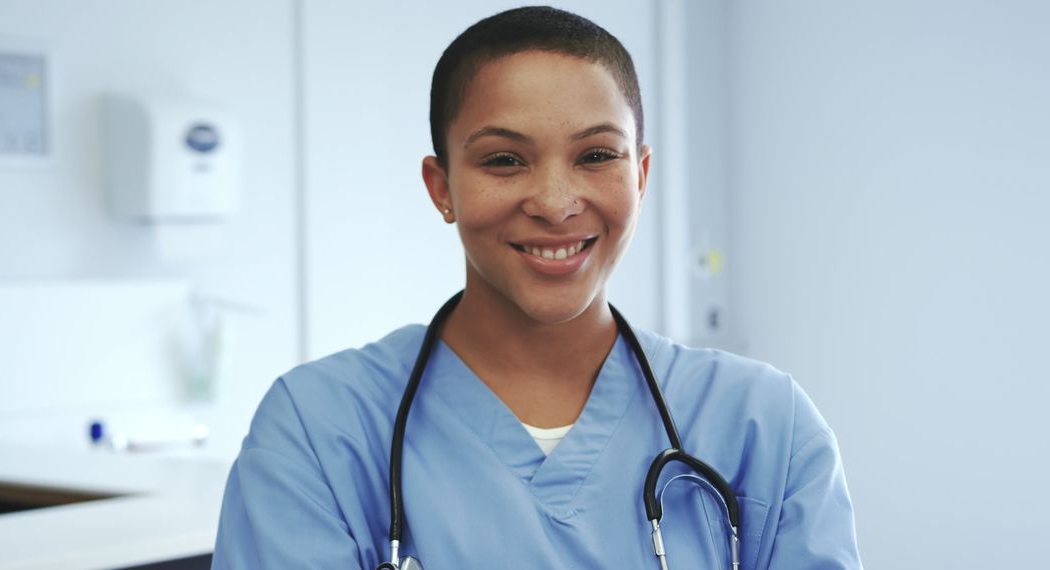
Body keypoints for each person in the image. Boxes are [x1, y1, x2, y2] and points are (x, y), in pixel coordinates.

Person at [212, 6, 861, 569]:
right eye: (504, 159)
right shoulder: (321, 429)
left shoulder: (763, 426)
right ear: (442, 189)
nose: (555, 202)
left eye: (596, 155)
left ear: (640, 176)